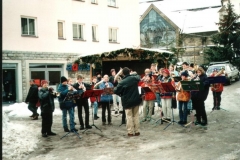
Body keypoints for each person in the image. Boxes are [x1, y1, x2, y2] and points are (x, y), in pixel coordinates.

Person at [114, 67, 142, 137]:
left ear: (122, 73)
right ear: (129, 72)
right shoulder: (134, 78)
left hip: (127, 101)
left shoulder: (122, 82)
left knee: (129, 117)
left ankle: (130, 132)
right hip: (136, 99)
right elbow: (139, 76)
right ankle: (137, 131)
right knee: (136, 116)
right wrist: (132, 74)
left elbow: (115, 91)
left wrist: (121, 93)